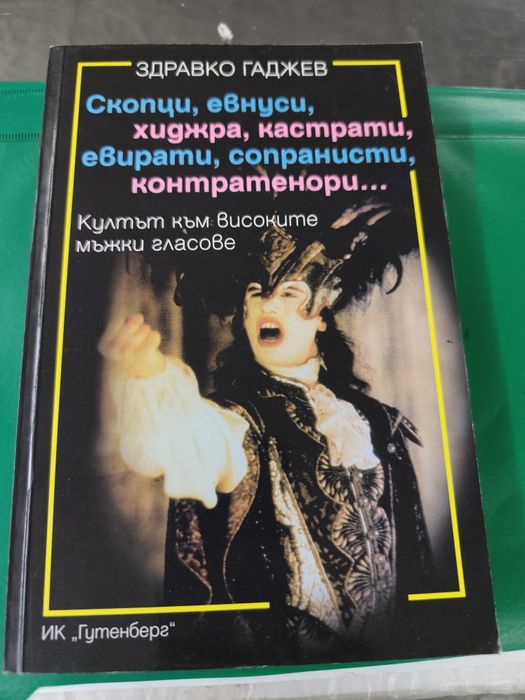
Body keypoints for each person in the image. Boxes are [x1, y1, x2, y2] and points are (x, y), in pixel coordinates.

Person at [99, 213, 432, 664]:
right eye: (256, 295)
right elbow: (190, 439)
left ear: (322, 317)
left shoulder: (375, 421)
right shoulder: (237, 419)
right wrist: (150, 377)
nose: (268, 306)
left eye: (289, 294)